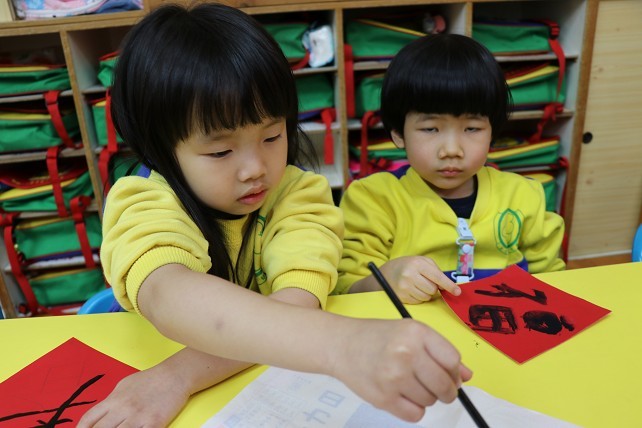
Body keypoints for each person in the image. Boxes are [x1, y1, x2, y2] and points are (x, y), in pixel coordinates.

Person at [79, 4, 471, 427]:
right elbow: (167, 293)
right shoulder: (143, 199)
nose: (256, 169)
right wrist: (344, 344)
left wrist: (180, 376)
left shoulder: (299, 194)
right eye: (221, 151)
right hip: (150, 371)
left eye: (271, 136)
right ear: (161, 149)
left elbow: (297, 301)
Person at [336, 34, 565, 303]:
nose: (452, 150)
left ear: (492, 131)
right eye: (431, 129)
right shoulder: (373, 200)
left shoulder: (523, 196)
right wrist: (384, 279)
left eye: (472, 128)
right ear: (398, 133)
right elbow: (345, 289)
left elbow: (554, 282)